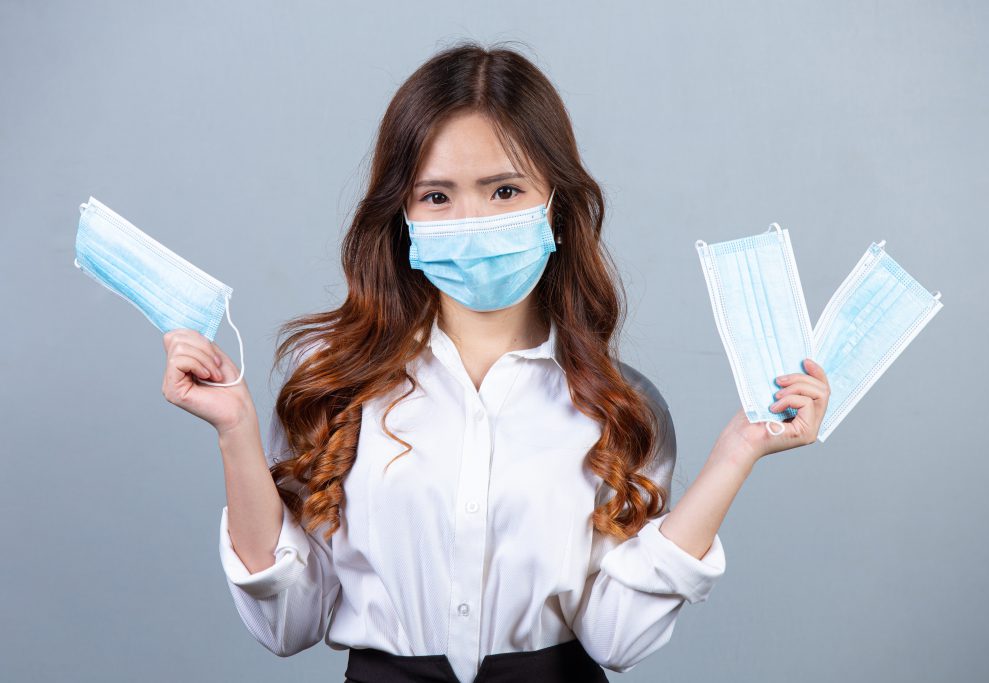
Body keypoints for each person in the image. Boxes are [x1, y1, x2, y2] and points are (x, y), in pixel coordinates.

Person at [162, 41, 830, 683]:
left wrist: (735, 454)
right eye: (437, 196)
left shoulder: (622, 408)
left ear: (556, 205)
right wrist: (236, 432)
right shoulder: (333, 387)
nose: (471, 219)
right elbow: (287, 624)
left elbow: (618, 637)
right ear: (402, 215)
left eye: (504, 190)